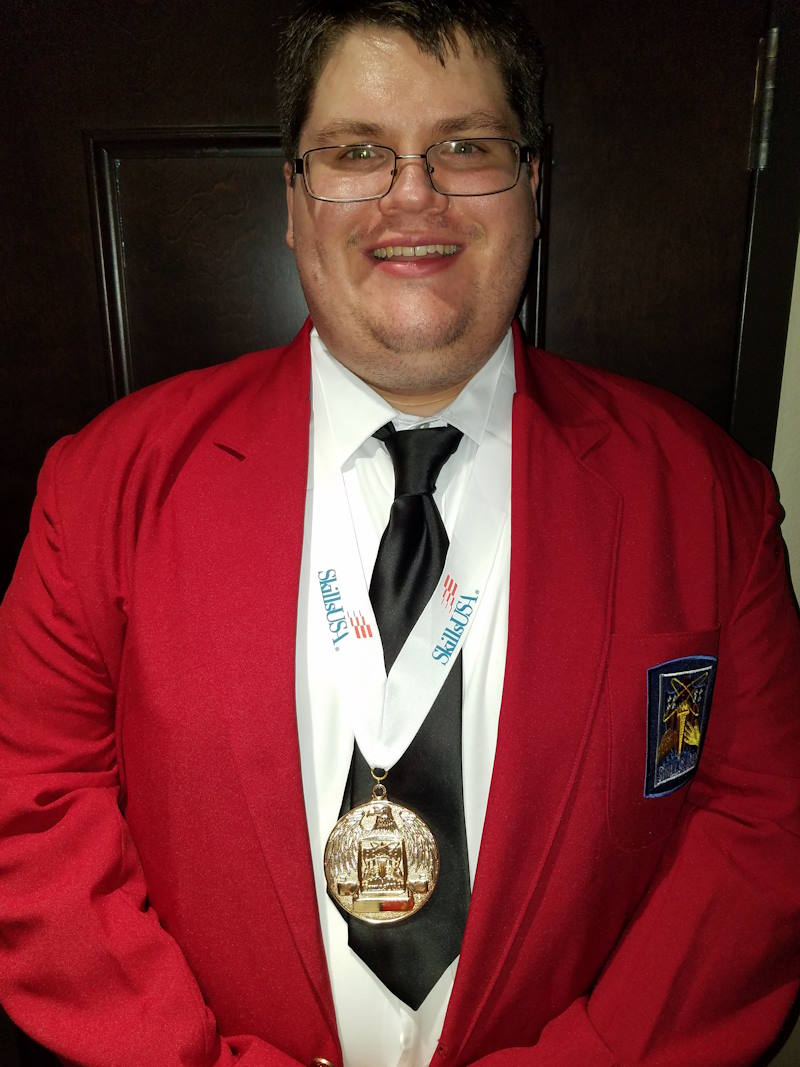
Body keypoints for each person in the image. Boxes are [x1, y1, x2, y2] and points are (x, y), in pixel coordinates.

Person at [0, 1, 799, 1064]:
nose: (409, 194)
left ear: (532, 189)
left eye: (464, 147)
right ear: (292, 199)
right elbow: (29, 811)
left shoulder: (705, 498)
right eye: (355, 151)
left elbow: (763, 834)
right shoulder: (104, 485)